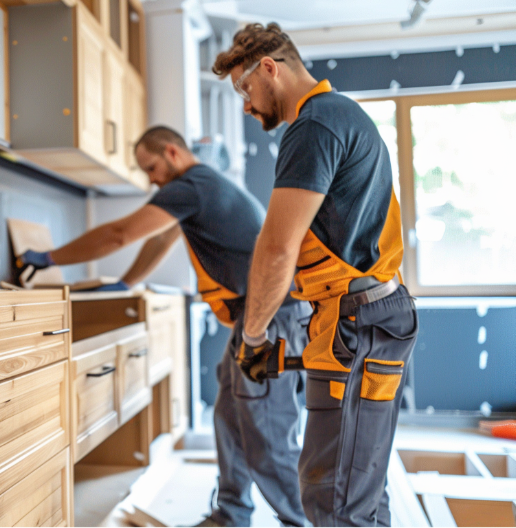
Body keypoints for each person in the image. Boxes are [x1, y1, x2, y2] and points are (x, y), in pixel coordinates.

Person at [19, 126, 311, 528]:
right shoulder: (200, 187)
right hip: (263, 314)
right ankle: (231, 515)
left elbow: (118, 233)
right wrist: (128, 281)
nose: (151, 179)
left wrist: (50, 257)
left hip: (272, 316)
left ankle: (302, 522)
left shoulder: (190, 186)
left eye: (152, 167)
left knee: (266, 430)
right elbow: (159, 240)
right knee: (229, 415)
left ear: (172, 153)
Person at [214, 23, 418, 528]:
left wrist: (255, 335)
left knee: (332, 499)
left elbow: (278, 247)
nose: (245, 105)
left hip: (357, 325)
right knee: (359, 488)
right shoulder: (338, 116)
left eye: (244, 89)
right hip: (360, 319)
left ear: (269, 68)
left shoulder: (314, 124)